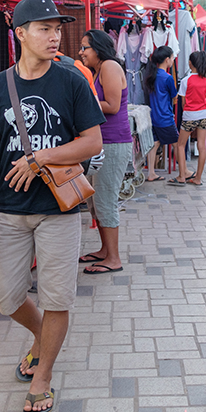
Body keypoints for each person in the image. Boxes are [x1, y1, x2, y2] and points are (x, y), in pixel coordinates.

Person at [0, 0, 104, 412]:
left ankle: (42, 377)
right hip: (10, 208)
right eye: (44, 28)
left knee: (57, 296)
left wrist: (40, 158)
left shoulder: (71, 81)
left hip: (58, 208)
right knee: (5, 296)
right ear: (19, 33)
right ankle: (45, 336)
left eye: (57, 28)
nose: (54, 35)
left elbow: (93, 142)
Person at [78, 29, 132, 275]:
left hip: (113, 143)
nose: (81, 52)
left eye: (84, 47)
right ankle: (104, 250)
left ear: (98, 47)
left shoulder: (109, 66)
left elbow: (111, 105)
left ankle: (113, 258)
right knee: (94, 202)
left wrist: (79, 101)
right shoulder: (99, 70)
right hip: (100, 144)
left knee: (105, 201)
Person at [168, 51, 206, 186]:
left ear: (190, 63)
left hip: (189, 115)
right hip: (203, 114)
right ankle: (198, 178)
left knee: (181, 144)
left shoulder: (186, 81)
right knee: (202, 147)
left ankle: (181, 176)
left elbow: (183, 102)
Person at [143, 45, 178, 182]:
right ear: (167, 59)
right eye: (172, 58)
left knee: (155, 143)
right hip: (165, 117)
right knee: (177, 144)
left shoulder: (152, 75)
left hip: (153, 116)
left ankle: (151, 172)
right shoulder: (167, 77)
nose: (173, 60)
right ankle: (183, 172)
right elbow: (174, 96)